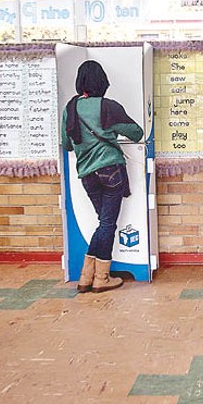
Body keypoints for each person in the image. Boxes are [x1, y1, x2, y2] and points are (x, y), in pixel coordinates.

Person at [62, 60, 143, 294]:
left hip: (87, 174)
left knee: (104, 223)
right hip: (110, 170)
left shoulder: (70, 109)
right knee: (107, 224)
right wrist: (111, 131)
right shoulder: (108, 107)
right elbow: (136, 132)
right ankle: (101, 278)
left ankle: (87, 277)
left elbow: (67, 144)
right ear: (102, 82)